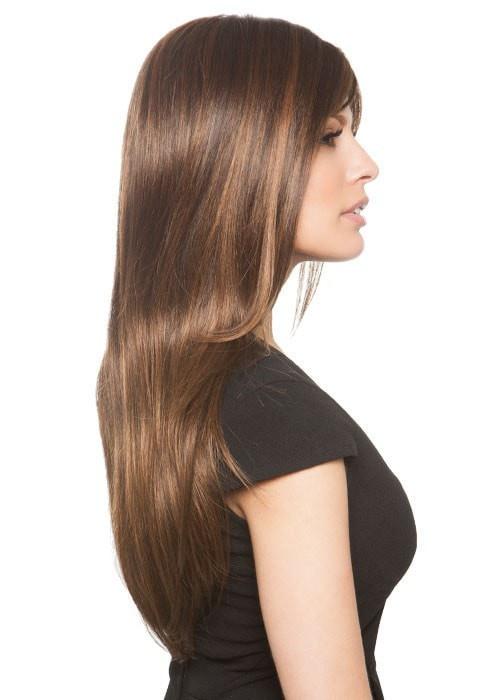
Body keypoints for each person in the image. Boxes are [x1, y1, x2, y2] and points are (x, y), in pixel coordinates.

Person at [96, 14, 417, 700]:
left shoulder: (173, 375)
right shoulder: (269, 411)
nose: (365, 163)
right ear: (238, 157)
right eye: (328, 136)